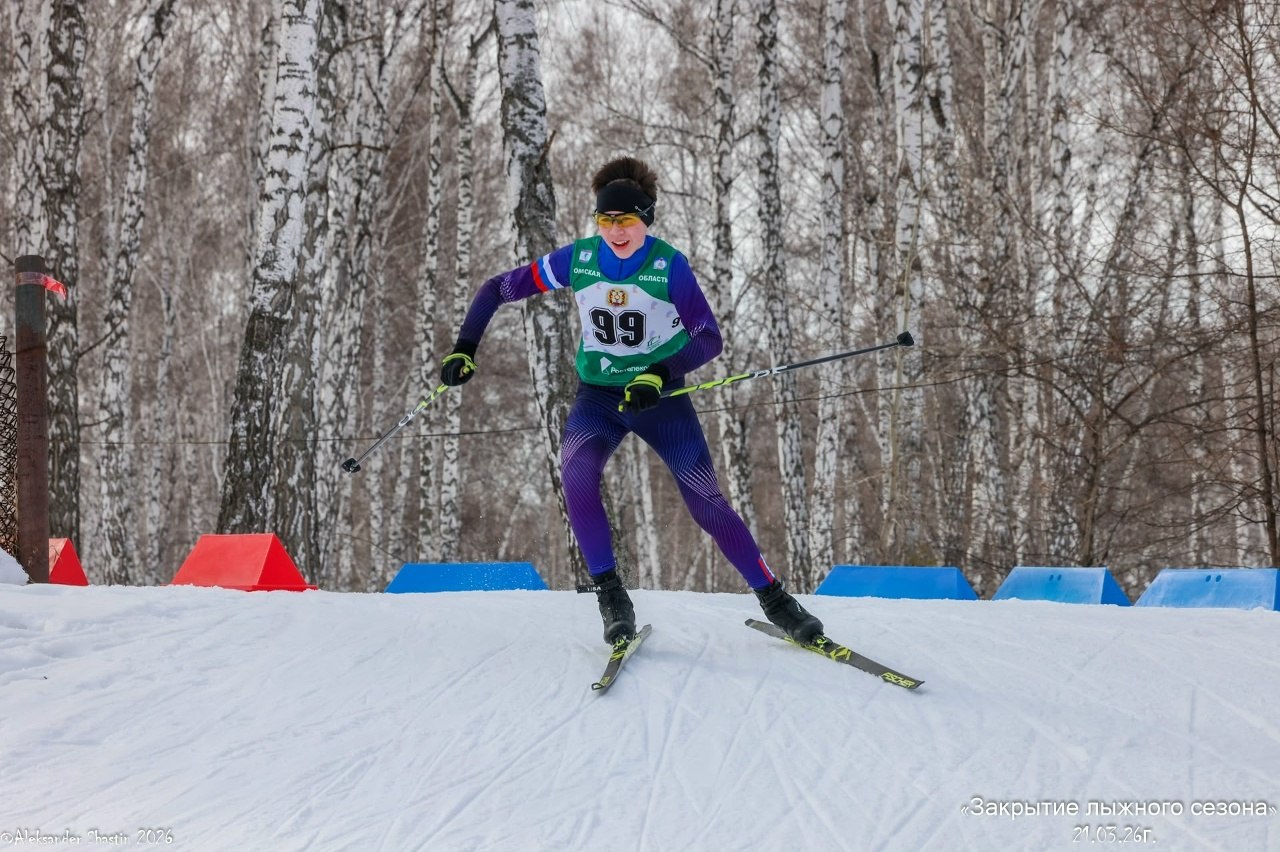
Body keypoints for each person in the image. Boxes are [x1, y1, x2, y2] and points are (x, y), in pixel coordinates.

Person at [439, 156, 823, 647]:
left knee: (705, 502)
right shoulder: (577, 260)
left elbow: (709, 338)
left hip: (659, 399)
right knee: (576, 472)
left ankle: (777, 601)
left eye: (627, 221)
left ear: (647, 220)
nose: (616, 231)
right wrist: (465, 347)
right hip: (599, 397)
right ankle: (611, 596)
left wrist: (659, 372)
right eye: (606, 220)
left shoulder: (668, 266)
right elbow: (498, 288)